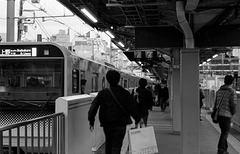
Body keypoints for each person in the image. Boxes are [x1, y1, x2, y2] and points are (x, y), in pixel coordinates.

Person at [88, 70, 143, 154]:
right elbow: (132, 108)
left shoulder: (103, 93)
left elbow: (93, 108)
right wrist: (138, 119)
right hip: (121, 124)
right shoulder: (125, 93)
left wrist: (91, 121)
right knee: (117, 145)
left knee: (109, 143)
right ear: (119, 80)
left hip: (107, 123)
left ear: (107, 80)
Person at [213, 75, 237, 154]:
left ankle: (225, 149)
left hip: (219, 114)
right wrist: (233, 112)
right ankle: (220, 150)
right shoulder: (232, 91)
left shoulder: (219, 91)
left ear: (224, 81)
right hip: (226, 115)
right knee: (225, 133)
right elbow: (233, 104)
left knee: (224, 132)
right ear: (232, 82)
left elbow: (216, 103)